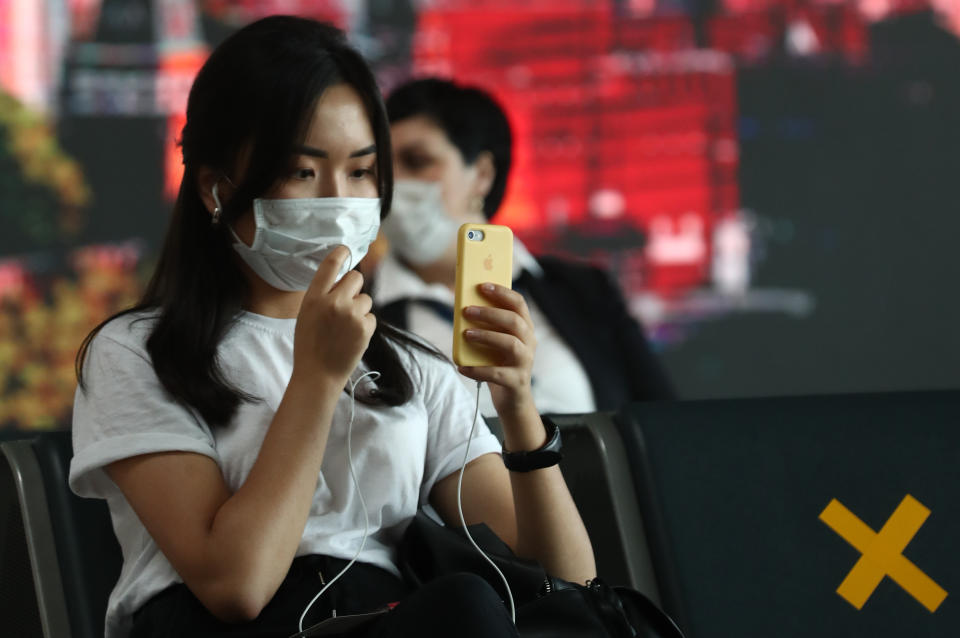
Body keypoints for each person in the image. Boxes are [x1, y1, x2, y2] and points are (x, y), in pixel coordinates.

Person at [69, 17, 594, 638]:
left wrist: (517, 407)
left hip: (399, 620)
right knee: (465, 613)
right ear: (216, 188)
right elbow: (234, 585)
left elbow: (570, 581)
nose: (337, 199)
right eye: (301, 171)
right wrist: (316, 379)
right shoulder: (139, 353)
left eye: (361, 172)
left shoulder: (409, 365)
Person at [374, 78, 674, 417]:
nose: (391, 184)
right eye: (380, 168)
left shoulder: (583, 290)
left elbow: (662, 423)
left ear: (482, 174)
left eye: (416, 161)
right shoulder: (362, 315)